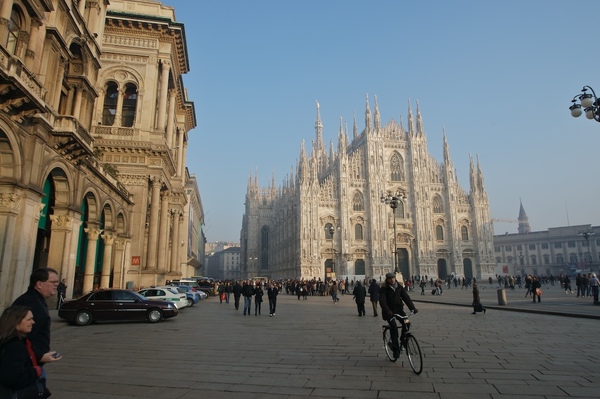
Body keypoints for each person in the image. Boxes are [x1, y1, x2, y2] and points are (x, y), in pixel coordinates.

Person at [0, 305, 61, 398]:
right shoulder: (14, 346)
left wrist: (42, 357)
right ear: (16, 322)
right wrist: (36, 371)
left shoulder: (19, 340)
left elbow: (29, 354)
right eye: (29, 319)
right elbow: (14, 377)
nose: (33, 322)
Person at [11, 267, 59, 362]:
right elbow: (21, 336)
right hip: (26, 364)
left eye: (57, 282)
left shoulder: (36, 300)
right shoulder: (30, 303)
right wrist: (38, 356)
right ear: (39, 284)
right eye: (53, 282)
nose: (56, 284)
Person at [379, 272, 418, 359]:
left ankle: (403, 339)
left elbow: (406, 298)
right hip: (389, 312)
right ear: (387, 279)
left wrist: (413, 308)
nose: (392, 280)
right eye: (390, 278)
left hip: (399, 311)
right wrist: (387, 310)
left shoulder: (399, 287)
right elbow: (382, 302)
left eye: (393, 278)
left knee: (407, 322)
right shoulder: (384, 289)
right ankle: (395, 349)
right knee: (394, 327)